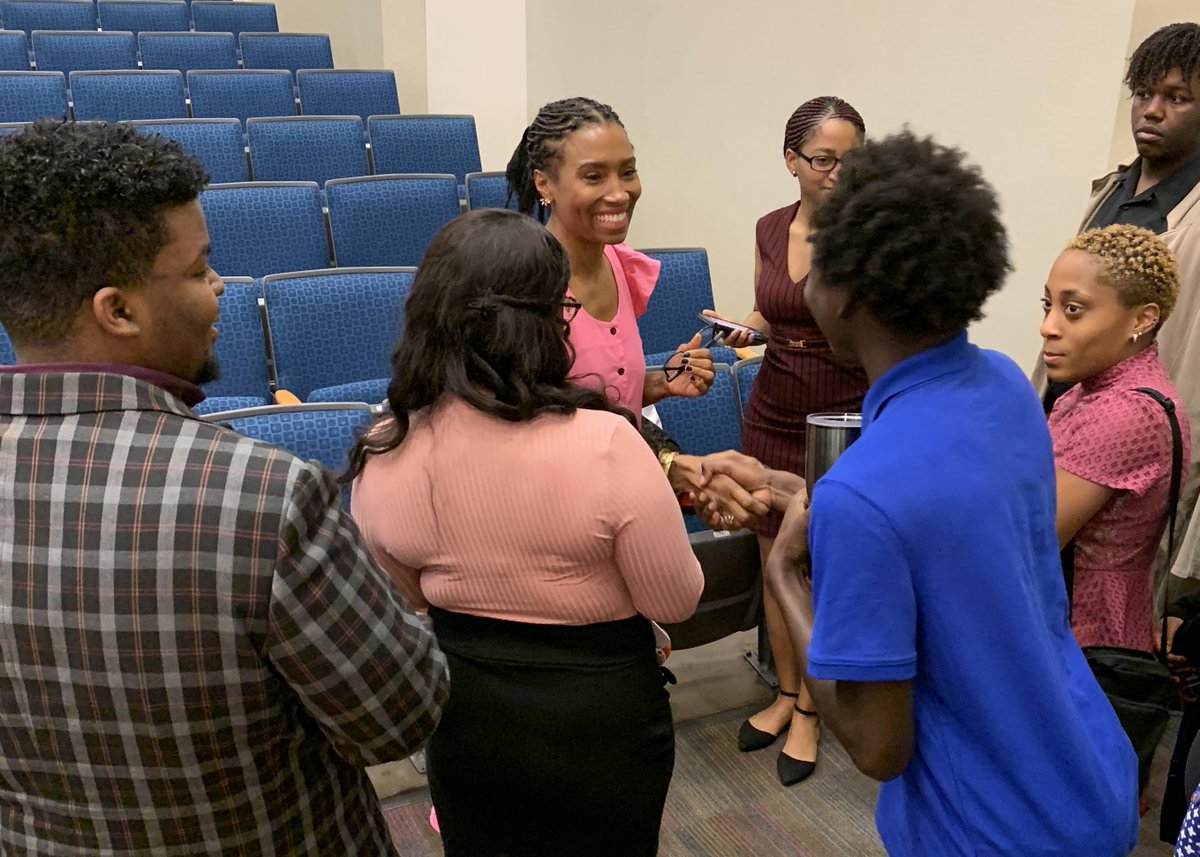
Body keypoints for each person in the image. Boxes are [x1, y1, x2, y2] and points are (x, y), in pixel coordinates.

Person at [0, 120, 448, 854]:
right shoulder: (261, 494)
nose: (220, 292)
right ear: (118, 310)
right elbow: (397, 718)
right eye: (201, 270)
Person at [703, 130, 1139, 855]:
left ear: (849, 296)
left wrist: (784, 573)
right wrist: (808, 492)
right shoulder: (1003, 382)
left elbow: (879, 749)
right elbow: (942, 525)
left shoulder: (864, 498)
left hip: (992, 828)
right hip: (1088, 772)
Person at [348, 208, 704, 857]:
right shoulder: (608, 443)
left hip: (469, 715)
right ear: (547, 318)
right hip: (606, 716)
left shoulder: (387, 448)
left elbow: (398, 600)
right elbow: (675, 600)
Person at [703, 96, 869, 786]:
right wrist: (743, 332)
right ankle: (782, 691)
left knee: (826, 566)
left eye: (851, 158)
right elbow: (769, 311)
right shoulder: (772, 227)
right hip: (773, 408)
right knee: (773, 556)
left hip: (845, 416)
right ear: (791, 161)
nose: (837, 172)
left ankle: (812, 706)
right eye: (823, 159)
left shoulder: (872, 232)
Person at [1037, 23, 1200, 589]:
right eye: (1143, 94)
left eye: (1176, 98)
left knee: (1112, 600)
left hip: (1140, 436)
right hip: (1070, 422)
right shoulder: (1109, 191)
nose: (1151, 112)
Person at [505, 96, 716, 495]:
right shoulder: (523, 287)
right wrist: (667, 462)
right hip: (556, 502)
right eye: (593, 176)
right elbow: (545, 418)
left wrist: (662, 382)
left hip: (623, 490)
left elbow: (600, 390)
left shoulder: (622, 266)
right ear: (543, 183)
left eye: (628, 172)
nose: (619, 193)